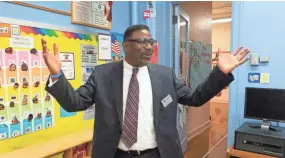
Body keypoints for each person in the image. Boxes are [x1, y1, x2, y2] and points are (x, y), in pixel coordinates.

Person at [42, 24, 250, 158]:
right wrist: (57, 76)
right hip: (115, 153)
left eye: (151, 42)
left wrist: (220, 73)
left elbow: (194, 98)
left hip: (158, 153)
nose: (149, 47)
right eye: (142, 42)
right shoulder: (102, 75)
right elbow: (75, 103)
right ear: (125, 46)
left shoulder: (165, 75)